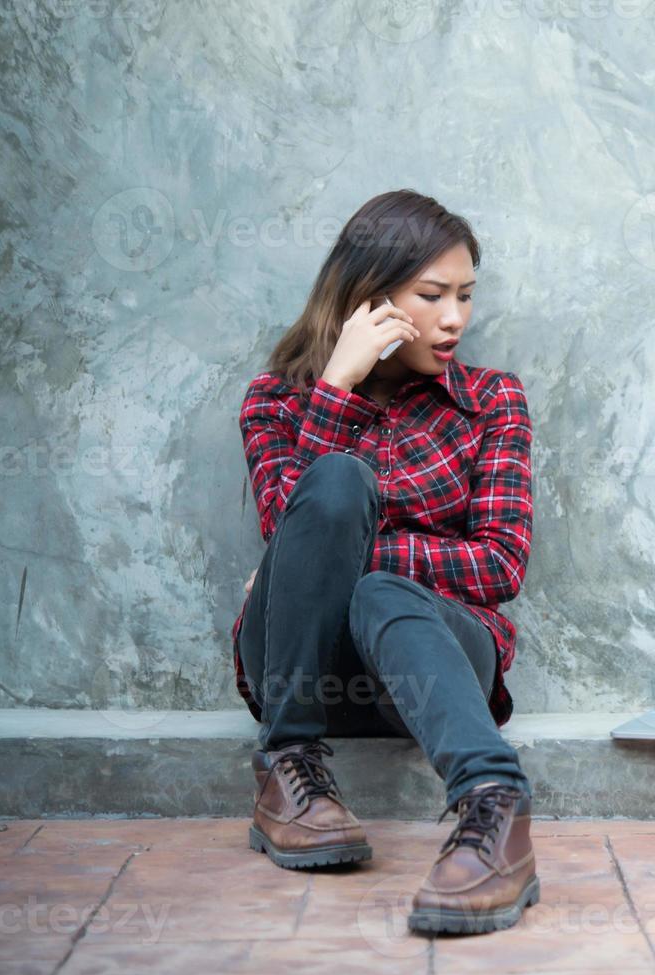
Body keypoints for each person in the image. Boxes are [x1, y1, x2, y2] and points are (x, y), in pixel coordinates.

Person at [229, 188, 537, 934]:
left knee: (378, 593)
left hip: (430, 658)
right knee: (334, 482)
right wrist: (334, 388)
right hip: (298, 665)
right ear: (369, 300)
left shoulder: (492, 400)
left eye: (465, 295)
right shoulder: (277, 402)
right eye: (431, 296)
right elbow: (289, 526)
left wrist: (363, 565)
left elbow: (498, 565)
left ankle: (495, 808)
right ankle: (290, 770)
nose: (455, 318)